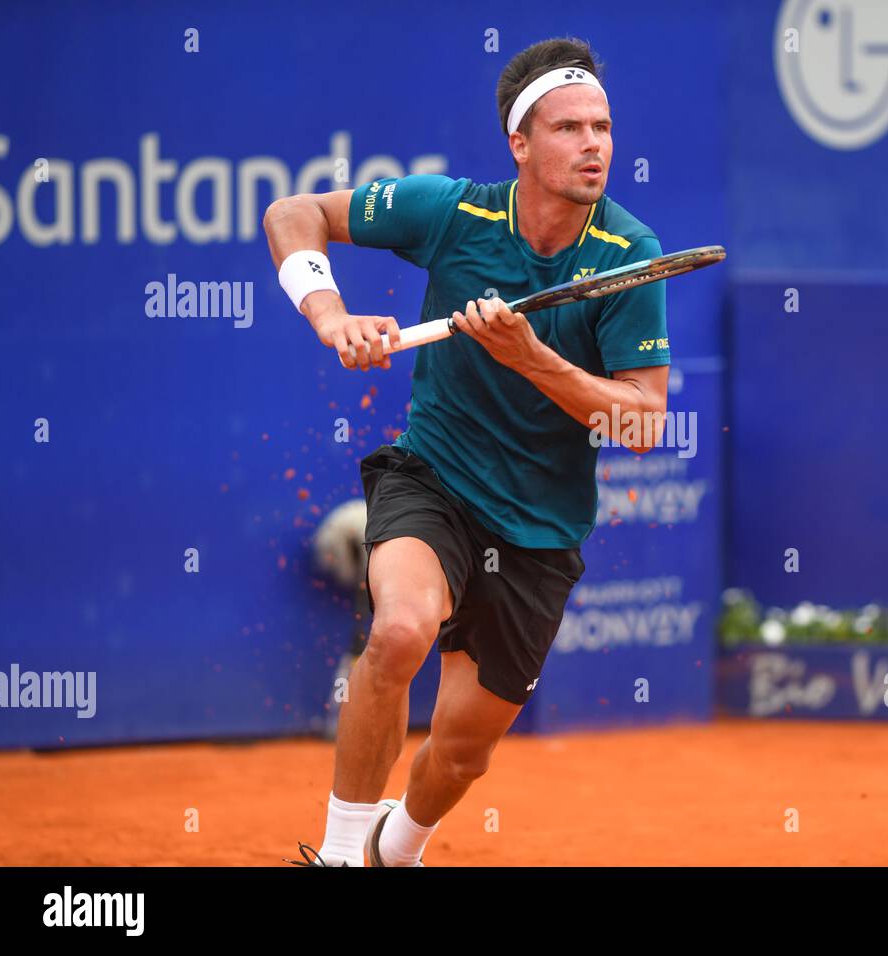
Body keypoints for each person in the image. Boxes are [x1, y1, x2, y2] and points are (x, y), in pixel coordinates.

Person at [263, 36, 670, 866]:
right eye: (569, 128)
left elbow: (642, 424)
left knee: (460, 753)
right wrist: (333, 315)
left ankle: (395, 851)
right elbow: (291, 214)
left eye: (603, 127)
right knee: (401, 631)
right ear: (520, 143)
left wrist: (534, 360)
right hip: (435, 479)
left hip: (540, 530)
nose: (593, 145)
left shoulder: (630, 258)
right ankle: (343, 856)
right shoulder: (452, 211)